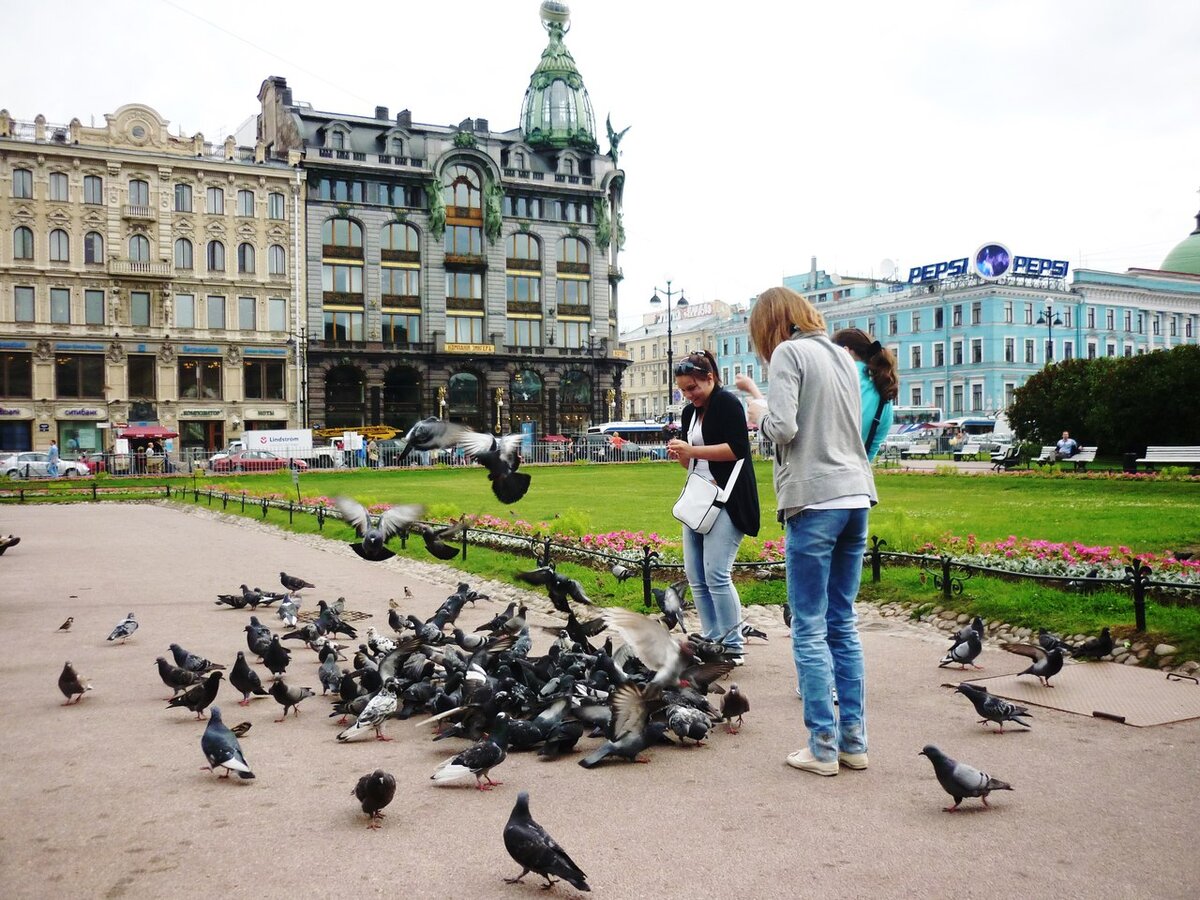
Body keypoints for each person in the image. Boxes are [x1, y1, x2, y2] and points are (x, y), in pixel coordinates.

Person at [738, 286, 876, 777]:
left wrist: (758, 417)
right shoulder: (841, 356)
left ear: (771, 325)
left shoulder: (788, 354)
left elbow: (785, 428)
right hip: (857, 494)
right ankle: (854, 741)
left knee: (810, 624)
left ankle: (821, 745)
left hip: (814, 499)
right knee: (843, 621)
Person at [667, 349, 760, 664]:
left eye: (693, 388)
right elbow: (691, 463)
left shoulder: (727, 403)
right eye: (683, 390)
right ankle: (711, 637)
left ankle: (733, 644)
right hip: (698, 497)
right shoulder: (689, 412)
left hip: (726, 499)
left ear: (710, 378)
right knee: (695, 574)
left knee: (717, 573)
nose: (689, 395)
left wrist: (692, 448)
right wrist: (682, 453)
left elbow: (737, 449)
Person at [831, 328, 898, 461]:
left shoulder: (835, 378)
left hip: (822, 473)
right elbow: (873, 447)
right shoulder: (884, 393)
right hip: (858, 475)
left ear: (845, 351)